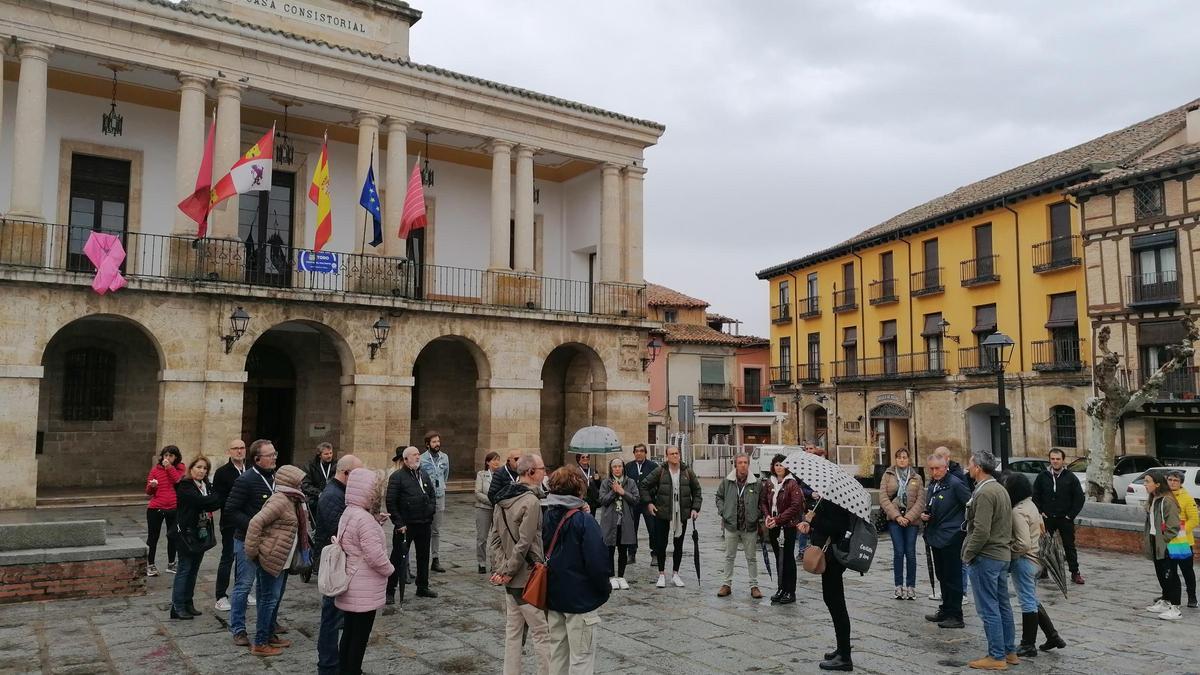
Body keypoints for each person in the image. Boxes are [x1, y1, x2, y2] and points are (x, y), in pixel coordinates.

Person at [543, 467, 612, 675]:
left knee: (558, 655)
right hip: (580, 600)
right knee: (581, 658)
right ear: (578, 489)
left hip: (554, 596)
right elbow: (597, 562)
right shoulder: (584, 520)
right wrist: (604, 589)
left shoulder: (547, 514)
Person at [488, 453, 551, 675]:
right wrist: (508, 570)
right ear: (531, 472)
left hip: (510, 577)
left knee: (513, 632)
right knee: (542, 633)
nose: (546, 473)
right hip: (527, 577)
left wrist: (502, 569)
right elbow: (525, 543)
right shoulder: (531, 501)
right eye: (543, 469)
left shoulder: (502, 497)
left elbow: (494, 539)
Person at [335, 468, 395, 675]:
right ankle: (353, 670)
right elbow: (375, 556)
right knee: (359, 635)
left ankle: (345, 669)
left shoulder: (350, 512)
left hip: (352, 579)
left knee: (350, 631)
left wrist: (375, 521)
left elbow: (356, 538)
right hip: (364, 584)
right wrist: (390, 569)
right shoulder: (364, 519)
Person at [243, 463, 307, 657]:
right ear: (291, 482)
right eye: (300, 482)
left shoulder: (293, 500)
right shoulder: (280, 500)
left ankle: (270, 635)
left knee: (272, 599)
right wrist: (254, 552)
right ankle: (260, 642)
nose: (302, 486)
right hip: (272, 559)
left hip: (283, 559)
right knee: (268, 600)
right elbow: (256, 522)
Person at [1002, 471, 1065, 657]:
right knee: (1032, 599)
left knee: (1027, 601)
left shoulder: (1017, 511)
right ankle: (1053, 636)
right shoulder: (1031, 505)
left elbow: (1023, 543)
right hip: (1037, 560)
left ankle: (1028, 644)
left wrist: (1008, 554)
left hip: (1025, 560)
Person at [962, 450, 1015, 670]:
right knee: (1003, 605)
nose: (968, 467)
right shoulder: (1000, 489)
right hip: (1002, 555)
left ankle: (996, 655)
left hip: (987, 556)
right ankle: (1009, 650)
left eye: (971, 464)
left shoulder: (985, 493)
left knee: (988, 608)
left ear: (978, 468)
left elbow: (981, 530)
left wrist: (968, 554)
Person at [224, 439, 280, 647]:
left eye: (275, 453)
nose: (274, 457)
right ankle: (238, 628)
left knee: (267, 588)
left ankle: (267, 627)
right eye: (270, 455)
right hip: (246, 539)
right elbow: (231, 509)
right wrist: (254, 525)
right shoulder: (246, 480)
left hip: (270, 541)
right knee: (244, 585)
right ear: (257, 459)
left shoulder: (275, 477)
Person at [315, 454, 363, 675]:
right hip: (334, 565)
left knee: (339, 617)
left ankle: (339, 662)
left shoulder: (340, 492)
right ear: (346, 474)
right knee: (331, 619)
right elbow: (340, 530)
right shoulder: (332, 495)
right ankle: (328, 665)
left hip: (341, 564)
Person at [800, 497, 856, 671]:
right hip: (829, 555)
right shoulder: (828, 499)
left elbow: (837, 527)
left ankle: (845, 656)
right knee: (831, 600)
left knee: (836, 603)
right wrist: (810, 527)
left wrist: (813, 519)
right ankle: (841, 649)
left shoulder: (837, 501)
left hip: (833, 557)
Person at [640, 445, 702, 589]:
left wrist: (695, 508)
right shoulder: (660, 471)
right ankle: (661, 574)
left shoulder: (687, 472)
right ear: (667, 456)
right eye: (672, 453)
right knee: (661, 544)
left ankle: (675, 574)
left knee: (678, 544)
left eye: (676, 453)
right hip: (662, 513)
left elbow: (697, 490)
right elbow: (644, 485)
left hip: (681, 513)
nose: (675, 456)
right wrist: (649, 503)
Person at [922, 453, 971, 630]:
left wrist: (961, 528)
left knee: (953, 576)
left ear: (945, 466)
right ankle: (946, 609)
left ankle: (956, 614)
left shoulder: (955, 483)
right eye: (932, 468)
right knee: (942, 575)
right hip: (936, 535)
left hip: (952, 536)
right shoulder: (935, 484)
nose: (935, 471)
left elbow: (970, 505)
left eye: (938, 468)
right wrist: (925, 516)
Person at [170, 456, 222, 620]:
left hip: (200, 532)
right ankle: (177, 607)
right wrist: (210, 500)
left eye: (205, 468)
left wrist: (210, 500)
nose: (201, 471)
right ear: (191, 468)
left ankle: (188, 602)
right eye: (198, 467)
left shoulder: (206, 485)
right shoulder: (185, 486)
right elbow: (200, 501)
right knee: (184, 569)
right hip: (186, 534)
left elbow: (215, 502)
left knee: (194, 570)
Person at [386, 446, 438, 602]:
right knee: (398, 557)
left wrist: (430, 511)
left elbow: (432, 495)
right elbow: (391, 502)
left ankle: (422, 586)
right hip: (406, 525)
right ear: (406, 459)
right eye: (414, 455)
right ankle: (390, 591)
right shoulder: (397, 477)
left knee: (423, 557)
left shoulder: (423, 474)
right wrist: (398, 522)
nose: (417, 457)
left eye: (418, 455)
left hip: (424, 523)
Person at [1032, 449, 1086, 585]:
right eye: (1053, 459)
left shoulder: (1070, 477)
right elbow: (1035, 495)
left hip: (1065, 518)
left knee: (1069, 546)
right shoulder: (1042, 476)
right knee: (1045, 546)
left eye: (1058, 459)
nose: (1055, 461)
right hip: (1047, 517)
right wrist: (1040, 511)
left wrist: (1070, 515)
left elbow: (1079, 498)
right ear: (1049, 460)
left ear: (1063, 460)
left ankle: (1075, 572)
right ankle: (1044, 570)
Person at [879, 448, 925, 600]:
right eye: (899, 457)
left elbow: (920, 501)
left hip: (912, 520)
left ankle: (911, 586)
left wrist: (909, 517)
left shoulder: (917, 477)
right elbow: (883, 498)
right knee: (899, 552)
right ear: (895, 459)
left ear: (909, 459)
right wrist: (897, 516)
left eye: (904, 457)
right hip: (894, 519)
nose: (902, 460)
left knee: (910, 553)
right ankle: (898, 586)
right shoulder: (888, 475)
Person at [715, 453, 763, 599]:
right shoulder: (727, 481)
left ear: (749, 464)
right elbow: (719, 497)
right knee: (729, 556)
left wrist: (757, 514)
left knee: (751, 557)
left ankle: (754, 585)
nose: (743, 465)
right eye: (740, 462)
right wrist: (724, 512)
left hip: (750, 525)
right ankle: (726, 584)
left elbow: (762, 501)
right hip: (731, 525)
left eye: (745, 462)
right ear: (735, 464)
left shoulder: (757, 483)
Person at [761, 453, 803, 604]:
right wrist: (767, 517)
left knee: (788, 559)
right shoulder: (769, 483)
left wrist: (778, 519)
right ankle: (781, 588)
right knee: (779, 557)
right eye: (776, 464)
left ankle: (790, 591)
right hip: (772, 525)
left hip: (787, 526)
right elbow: (763, 502)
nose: (779, 467)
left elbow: (795, 506)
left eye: (781, 464)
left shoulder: (792, 483)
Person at [213, 439, 248, 611]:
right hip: (230, 523)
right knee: (228, 557)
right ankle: (221, 595)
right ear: (229, 451)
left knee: (246, 558)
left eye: (242, 448)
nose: (239, 451)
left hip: (249, 523)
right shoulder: (223, 472)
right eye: (235, 448)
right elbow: (221, 500)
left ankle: (243, 591)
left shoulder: (250, 470)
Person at [1143, 472, 1183, 620]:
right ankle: (1165, 601)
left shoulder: (1167, 501)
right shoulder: (1153, 499)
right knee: (1161, 573)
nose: (1145, 485)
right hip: (1155, 540)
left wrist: (1165, 540)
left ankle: (1175, 607)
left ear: (1158, 484)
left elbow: (1173, 525)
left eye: (1148, 481)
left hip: (1166, 543)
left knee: (1170, 574)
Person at [935, 446, 973, 602]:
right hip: (940, 531)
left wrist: (962, 523)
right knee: (945, 571)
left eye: (939, 457)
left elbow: (968, 502)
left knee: (957, 565)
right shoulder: (938, 478)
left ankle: (961, 593)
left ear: (947, 459)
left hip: (954, 530)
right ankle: (948, 599)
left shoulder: (956, 478)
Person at [598, 457, 640, 590]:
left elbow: (636, 499)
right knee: (610, 550)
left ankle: (621, 576)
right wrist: (613, 491)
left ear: (623, 468)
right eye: (614, 467)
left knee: (623, 549)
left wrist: (623, 492)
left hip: (625, 520)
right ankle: (611, 577)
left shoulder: (630, 482)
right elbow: (602, 500)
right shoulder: (606, 483)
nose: (617, 469)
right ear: (611, 469)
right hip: (610, 521)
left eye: (619, 466)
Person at [144, 445, 185, 577]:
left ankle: (171, 563)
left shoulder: (180, 468)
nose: (167, 458)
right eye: (165, 455)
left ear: (176, 457)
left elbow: (177, 480)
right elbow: (148, 492)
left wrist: (169, 467)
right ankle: (150, 564)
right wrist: (152, 486)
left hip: (173, 507)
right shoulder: (155, 470)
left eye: (171, 456)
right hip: (156, 508)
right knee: (153, 537)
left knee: (173, 536)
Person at [1166, 470, 1198, 608]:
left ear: (1181, 483)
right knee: (1169, 571)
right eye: (1170, 480)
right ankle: (1168, 596)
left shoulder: (1187, 498)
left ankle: (1192, 597)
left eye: (1176, 480)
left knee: (1187, 571)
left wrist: (1181, 531)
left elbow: (1195, 519)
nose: (1172, 482)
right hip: (1167, 539)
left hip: (1183, 542)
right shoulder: (1164, 495)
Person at [419, 431, 450, 573]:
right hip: (425, 497)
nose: (437, 444)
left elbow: (445, 475)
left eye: (438, 441)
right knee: (424, 529)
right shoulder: (422, 459)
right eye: (434, 442)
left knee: (436, 529)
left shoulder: (445, 458)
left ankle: (435, 559)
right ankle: (423, 558)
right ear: (427, 444)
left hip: (439, 496)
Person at [625, 444, 658, 566]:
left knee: (652, 528)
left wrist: (649, 496)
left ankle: (655, 554)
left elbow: (656, 484)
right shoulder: (628, 466)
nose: (639, 453)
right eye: (637, 451)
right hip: (633, 502)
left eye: (641, 451)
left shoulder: (653, 466)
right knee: (631, 529)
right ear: (634, 453)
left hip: (648, 502)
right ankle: (631, 553)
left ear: (645, 453)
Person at [475, 452, 502, 574]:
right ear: (487, 462)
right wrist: (491, 501)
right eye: (493, 460)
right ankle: (481, 562)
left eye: (498, 460)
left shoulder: (501, 475)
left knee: (497, 537)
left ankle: (495, 563)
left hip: (498, 509)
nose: (496, 462)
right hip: (484, 509)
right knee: (482, 537)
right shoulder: (481, 474)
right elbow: (478, 493)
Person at [302, 442, 337, 514]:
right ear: (319, 455)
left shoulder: (337, 465)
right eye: (326, 454)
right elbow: (305, 485)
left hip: (333, 501)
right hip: (316, 502)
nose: (329, 456)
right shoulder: (311, 466)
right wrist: (319, 493)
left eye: (331, 453)